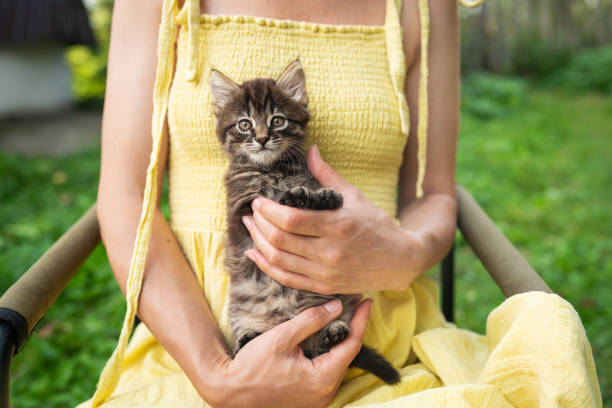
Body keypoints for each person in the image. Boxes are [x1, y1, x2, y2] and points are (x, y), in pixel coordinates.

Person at [80, 0, 601, 406]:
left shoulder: (423, 6)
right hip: (199, 345)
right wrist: (218, 374)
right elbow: (126, 198)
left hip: (378, 327)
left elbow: (435, 194)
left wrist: (403, 251)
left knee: (553, 345)